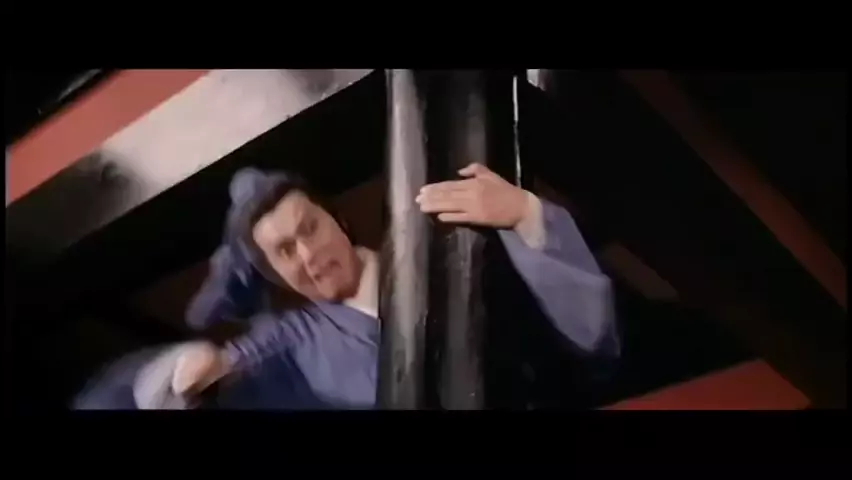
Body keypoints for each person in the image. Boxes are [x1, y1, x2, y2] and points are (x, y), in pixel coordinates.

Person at [164, 162, 620, 410]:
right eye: (285, 251)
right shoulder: (295, 340)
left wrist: (525, 213)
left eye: (311, 228)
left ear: (339, 220)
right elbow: (237, 362)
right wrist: (201, 367)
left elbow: (591, 338)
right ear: (277, 274)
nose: (307, 253)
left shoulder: (437, 250)